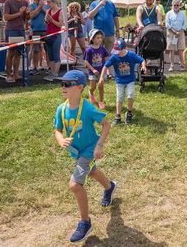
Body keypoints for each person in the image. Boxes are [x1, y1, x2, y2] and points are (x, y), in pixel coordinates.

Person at [53, 70, 116, 243]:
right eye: (62, 84)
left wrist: (99, 146)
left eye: (67, 84)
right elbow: (57, 130)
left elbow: (106, 124)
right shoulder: (62, 108)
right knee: (91, 171)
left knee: (75, 185)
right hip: (77, 150)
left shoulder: (87, 108)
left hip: (89, 149)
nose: (63, 87)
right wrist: (60, 140)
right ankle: (109, 187)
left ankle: (85, 222)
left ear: (80, 87)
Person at [99, 39, 147, 125]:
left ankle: (129, 113)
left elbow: (142, 60)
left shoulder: (131, 55)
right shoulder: (114, 57)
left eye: (119, 50)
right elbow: (105, 66)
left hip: (130, 80)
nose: (117, 52)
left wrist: (144, 66)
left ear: (124, 48)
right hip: (120, 80)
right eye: (116, 51)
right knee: (119, 97)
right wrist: (101, 77)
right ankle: (118, 116)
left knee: (130, 94)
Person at [89, 0, 120, 78]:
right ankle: (97, 71)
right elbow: (90, 16)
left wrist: (117, 30)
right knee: (97, 53)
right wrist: (99, 5)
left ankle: (109, 73)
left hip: (109, 32)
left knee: (109, 53)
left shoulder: (111, 4)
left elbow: (115, 17)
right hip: (98, 33)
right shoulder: (94, 3)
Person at [3, 0, 30, 83]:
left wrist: (27, 14)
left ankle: (15, 74)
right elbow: (6, 17)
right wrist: (19, 13)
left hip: (21, 30)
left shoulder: (25, 2)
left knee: (18, 53)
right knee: (11, 52)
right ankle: (9, 75)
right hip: (11, 29)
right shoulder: (8, 2)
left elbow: (27, 19)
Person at [83, 29, 109, 109]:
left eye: (101, 37)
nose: (100, 39)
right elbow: (86, 61)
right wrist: (93, 69)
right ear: (92, 39)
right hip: (92, 72)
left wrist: (107, 70)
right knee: (93, 87)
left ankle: (101, 101)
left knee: (101, 86)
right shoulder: (89, 50)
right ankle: (91, 93)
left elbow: (107, 59)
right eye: (97, 38)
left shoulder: (103, 49)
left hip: (101, 72)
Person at [43, 0, 64, 81]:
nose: (48, 4)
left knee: (56, 55)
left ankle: (55, 73)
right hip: (48, 34)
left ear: (54, 2)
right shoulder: (48, 11)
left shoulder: (60, 11)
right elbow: (45, 24)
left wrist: (52, 20)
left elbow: (60, 24)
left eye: (49, 2)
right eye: (47, 2)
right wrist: (47, 20)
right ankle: (52, 73)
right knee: (50, 55)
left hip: (56, 35)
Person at [28, 0, 48, 75]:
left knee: (47, 49)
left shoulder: (46, 6)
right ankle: (35, 67)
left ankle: (49, 67)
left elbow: (48, 14)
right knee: (35, 49)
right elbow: (31, 15)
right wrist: (39, 7)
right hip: (36, 31)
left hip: (46, 31)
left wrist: (42, 7)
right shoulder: (32, 6)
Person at [165, 0, 186, 72]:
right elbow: (167, 25)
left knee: (181, 49)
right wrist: (174, 32)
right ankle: (172, 65)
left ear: (180, 5)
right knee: (172, 50)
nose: (176, 6)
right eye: (174, 5)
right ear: (172, 5)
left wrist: (180, 32)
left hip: (181, 32)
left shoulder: (182, 14)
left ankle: (182, 64)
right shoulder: (169, 13)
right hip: (171, 33)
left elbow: (184, 24)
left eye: (177, 5)